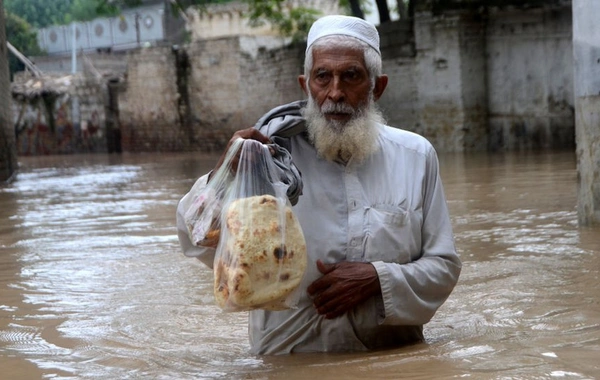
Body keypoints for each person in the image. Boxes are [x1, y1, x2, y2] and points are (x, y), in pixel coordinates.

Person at [176, 14, 461, 355]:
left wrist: (377, 278)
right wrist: (224, 175)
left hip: (391, 358)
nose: (335, 92)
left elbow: (443, 267)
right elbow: (195, 240)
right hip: (289, 363)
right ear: (305, 85)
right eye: (323, 77)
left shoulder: (415, 156)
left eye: (351, 76)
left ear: (378, 86)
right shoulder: (268, 160)